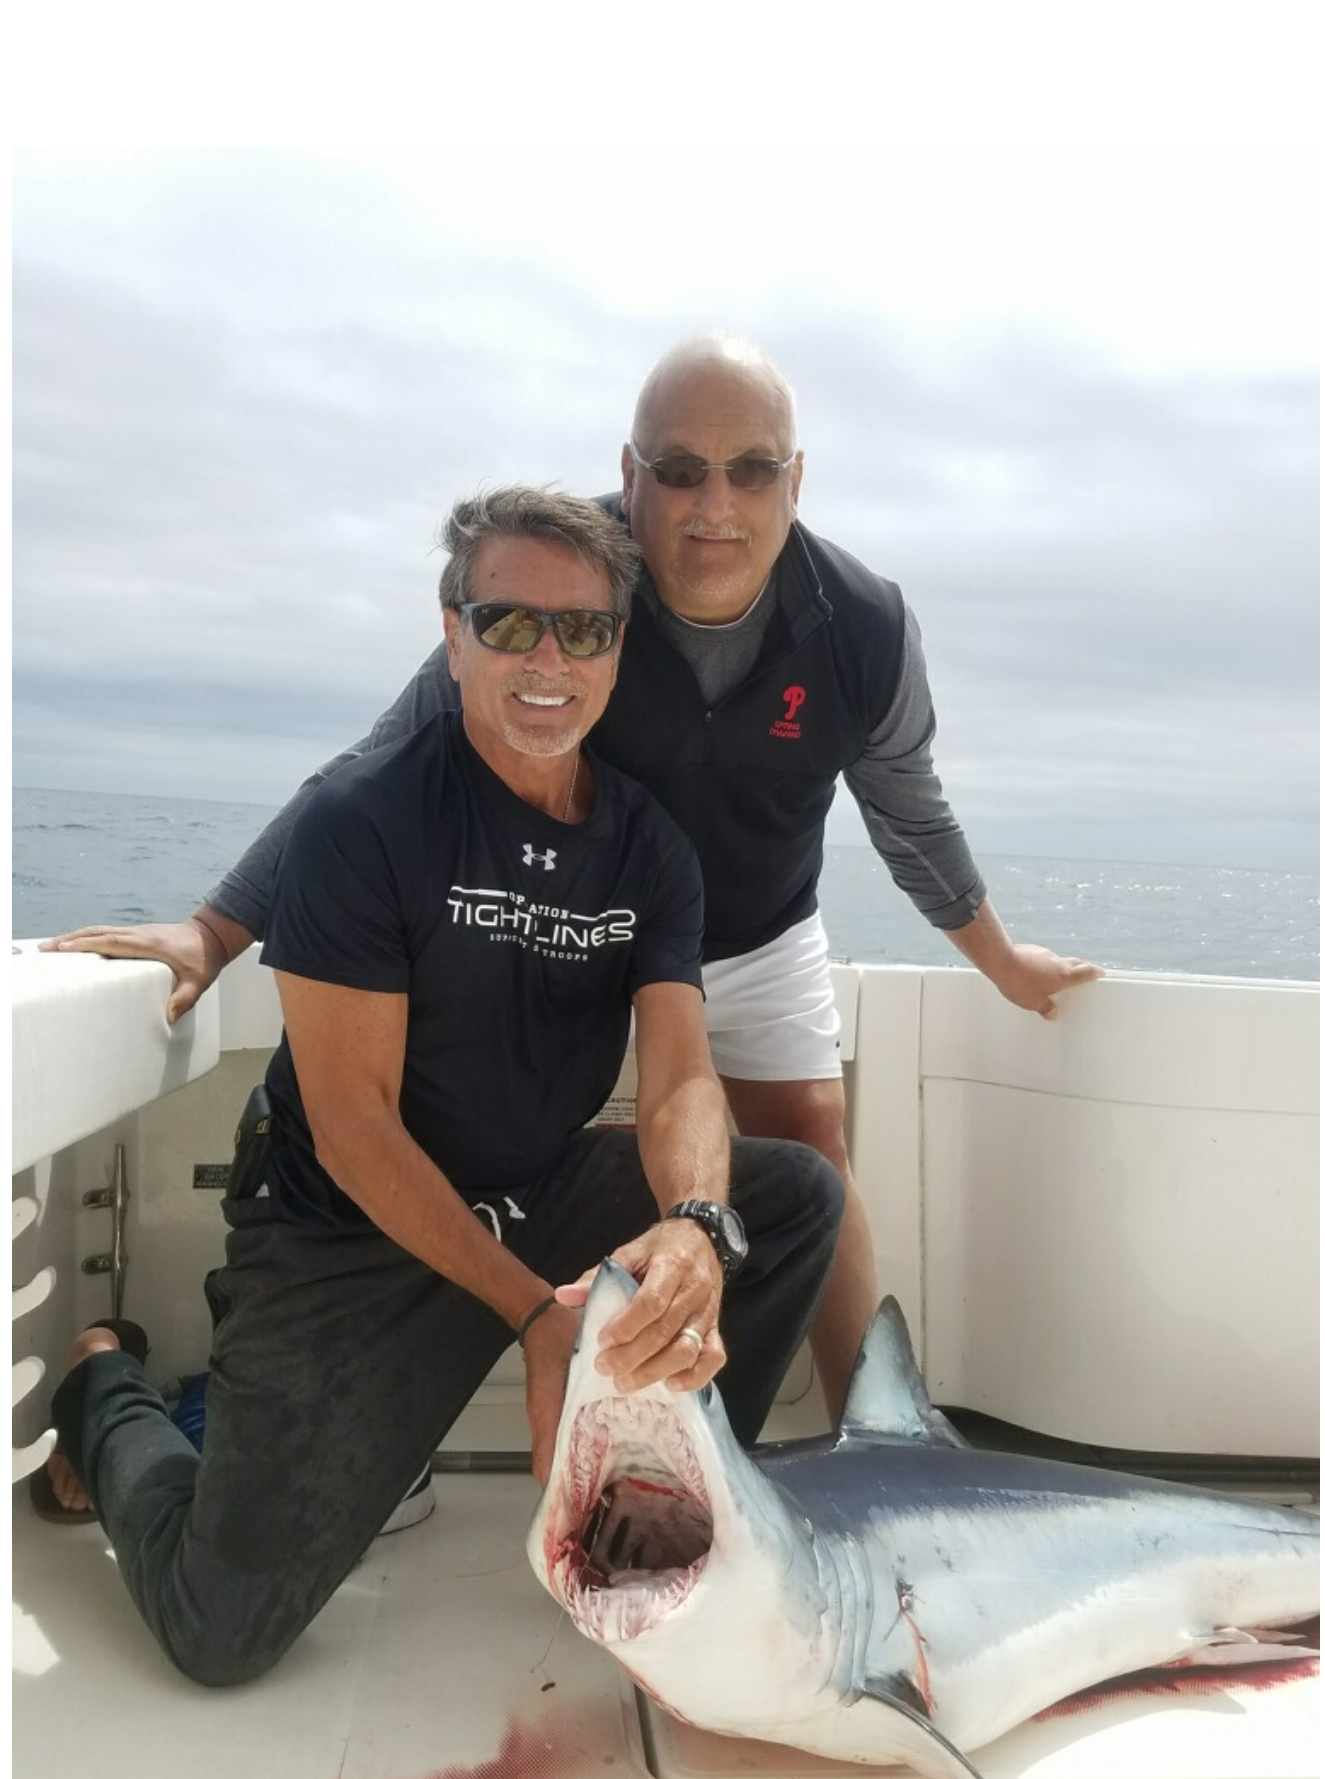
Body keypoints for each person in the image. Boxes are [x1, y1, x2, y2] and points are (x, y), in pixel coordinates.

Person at [45, 335, 1099, 1416]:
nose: (712, 506)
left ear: (795, 481)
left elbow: (907, 812)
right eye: (679, 469)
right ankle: (404, 1393)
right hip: (574, 921)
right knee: (455, 1128)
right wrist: (216, 931)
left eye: (749, 470)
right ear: (631, 474)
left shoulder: (862, 628)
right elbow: (379, 764)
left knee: (812, 1149)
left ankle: (877, 1438)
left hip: (757, 928)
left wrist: (998, 959)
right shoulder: (568, 584)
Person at [38, 487, 844, 1686]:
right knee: (218, 1630)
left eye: (584, 630)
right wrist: (534, 1313)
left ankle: (652, 1499)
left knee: (782, 1201)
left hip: (531, 1192)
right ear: (452, 634)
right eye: (508, 623)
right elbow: (356, 1132)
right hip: (345, 1226)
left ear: (620, 648)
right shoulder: (360, 823)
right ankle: (108, 1383)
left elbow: (678, 1072)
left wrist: (691, 1227)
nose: (547, 662)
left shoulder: (646, 845)